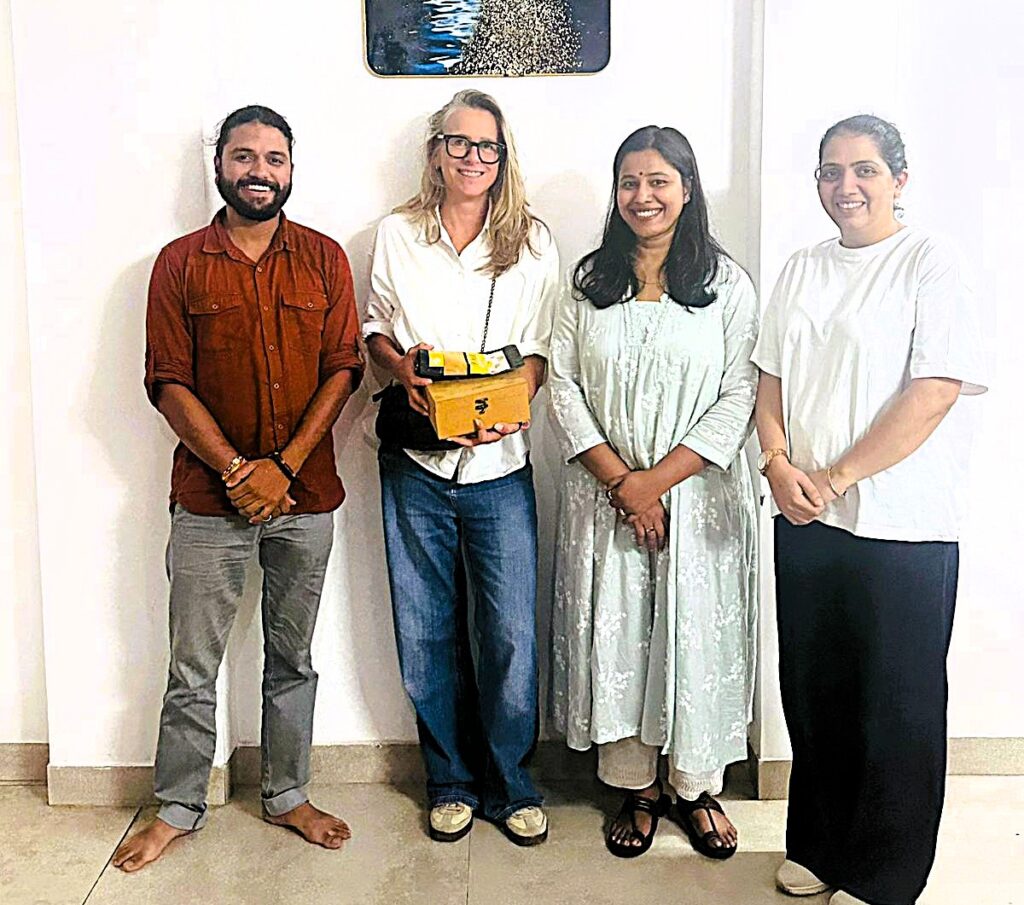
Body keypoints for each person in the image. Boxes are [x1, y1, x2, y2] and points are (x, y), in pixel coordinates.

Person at [113, 105, 363, 872]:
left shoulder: (324, 258)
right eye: (245, 156)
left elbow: (344, 368)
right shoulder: (179, 263)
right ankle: (177, 805)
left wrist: (281, 468)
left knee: (293, 658)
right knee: (193, 665)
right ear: (219, 164)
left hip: (305, 497)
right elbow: (167, 380)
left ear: (291, 169)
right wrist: (236, 470)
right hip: (205, 500)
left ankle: (288, 794)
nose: (260, 170)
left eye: (274, 158)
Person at [752, 115, 988, 905]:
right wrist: (777, 464)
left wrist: (837, 475)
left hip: (902, 526)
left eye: (863, 170)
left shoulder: (930, 261)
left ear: (899, 179)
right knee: (816, 691)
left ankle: (886, 876)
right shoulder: (802, 267)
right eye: (830, 171)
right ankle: (821, 846)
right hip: (806, 518)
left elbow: (935, 389)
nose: (845, 185)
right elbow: (769, 378)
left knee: (896, 702)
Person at [548, 125, 759, 859]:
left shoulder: (726, 285)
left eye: (659, 180)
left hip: (696, 501)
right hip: (605, 501)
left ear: (687, 189)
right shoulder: (587, 282)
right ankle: (636, 787)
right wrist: (624, 484)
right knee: (624, 637)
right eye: (630, 182)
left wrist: (655, 484)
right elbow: (563, 387)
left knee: (694, 636)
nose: (643, 196)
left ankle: (695, 787)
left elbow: (740, 395)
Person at [363, 89, 558, 845]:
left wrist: (515, 399)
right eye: (459, 143)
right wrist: (398, 368)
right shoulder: (397, 233)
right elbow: (375, 328)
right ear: (436, 151)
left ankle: (511, 784)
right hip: (416, 463)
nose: (473, 158)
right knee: (425, 632)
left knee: (509, 635)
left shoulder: (533, 241)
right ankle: (449, 781)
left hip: (501, 467)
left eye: (488, 147)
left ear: (503, 159)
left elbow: (541, 349)